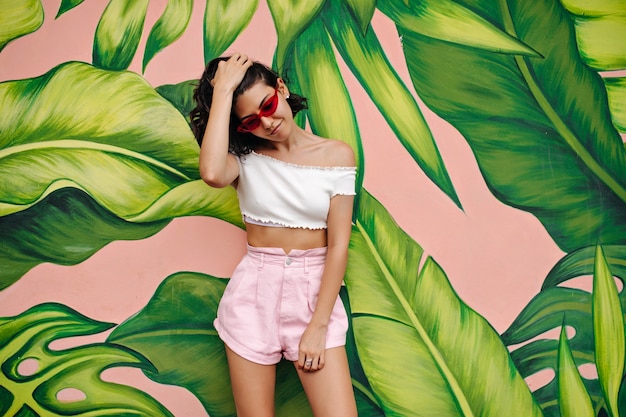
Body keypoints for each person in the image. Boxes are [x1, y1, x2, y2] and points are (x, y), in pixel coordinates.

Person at [190, 53, 358, 417]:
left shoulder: (337, 155)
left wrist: (318, 325)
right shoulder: (245, 160)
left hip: (314, 294)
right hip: (254, 295)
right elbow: (212, 173)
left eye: (268, 105)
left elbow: (339, 245)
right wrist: (222, 93)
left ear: (281, 88)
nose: (267, 122)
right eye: (250, 121)